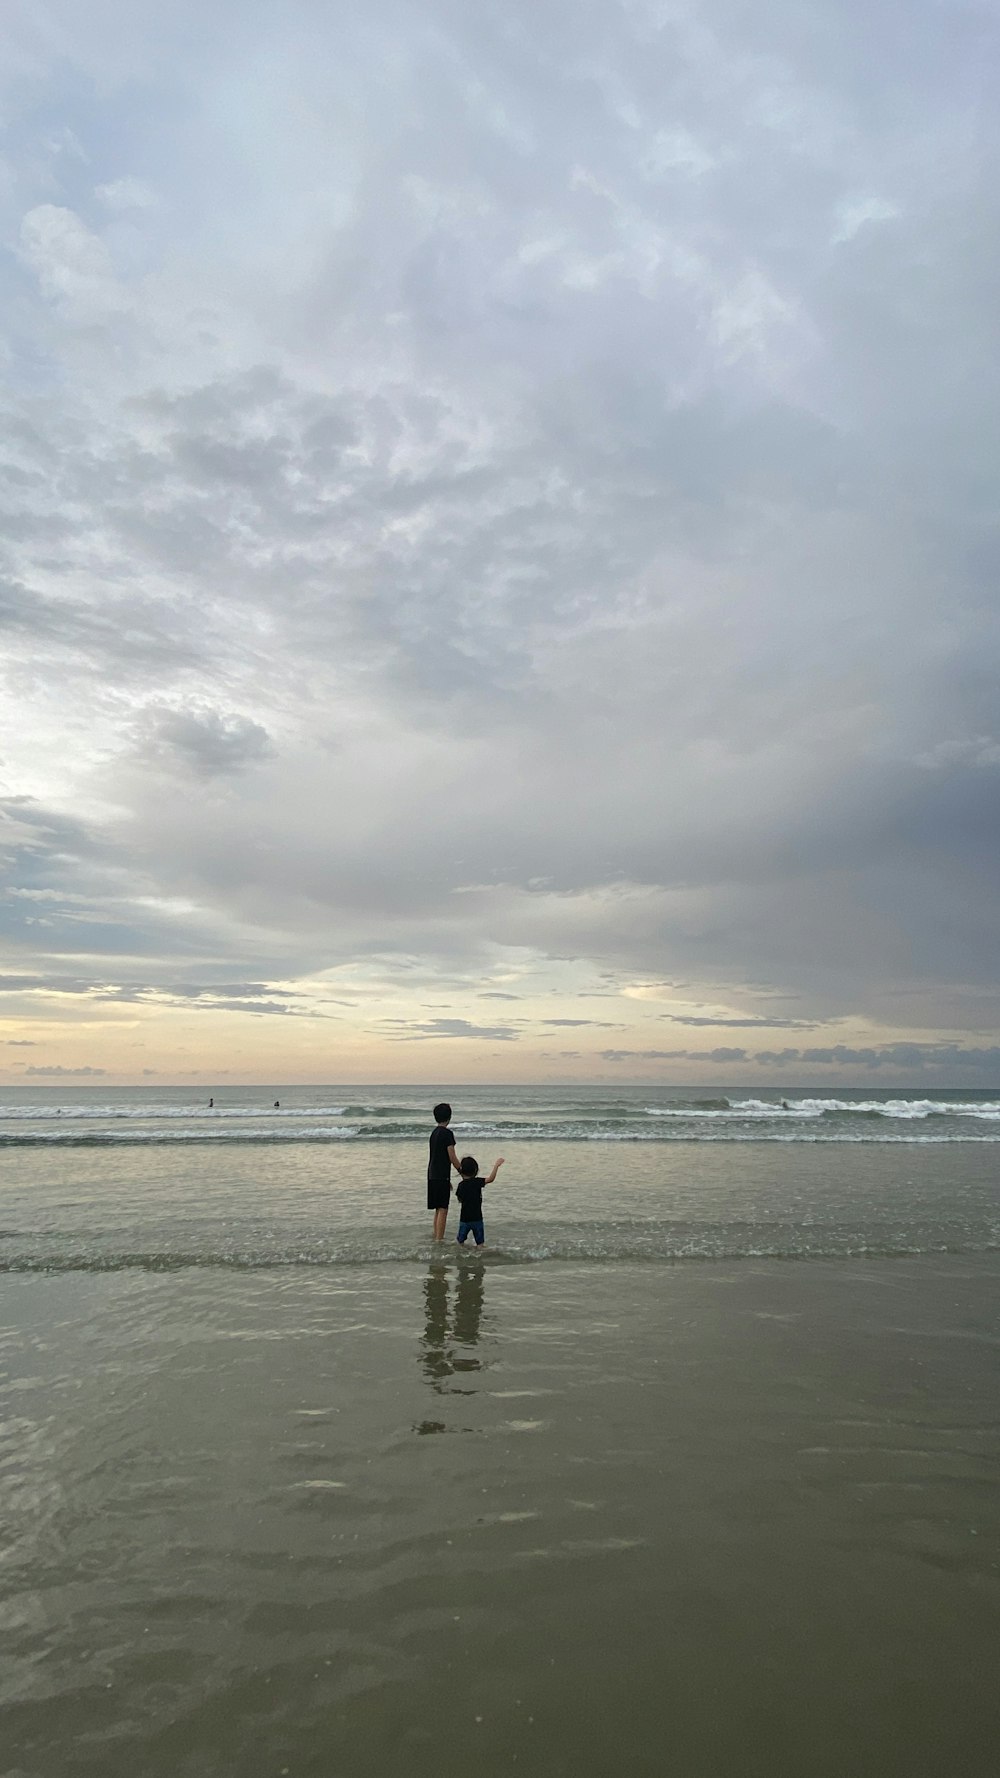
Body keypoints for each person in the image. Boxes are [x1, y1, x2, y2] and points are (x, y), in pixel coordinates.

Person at [427, 1101, 461, 1242]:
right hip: (441, 1175)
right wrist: (461, 1170)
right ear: (449, 1117)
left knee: (437, 1208)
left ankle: (436, 1236)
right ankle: (439, 1239)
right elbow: (451, 1156)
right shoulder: (447, 1134)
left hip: (432, 1174)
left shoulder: (434, 1133)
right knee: (443, 1208)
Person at [455, 1154, 504, 1248]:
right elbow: (491, 1179)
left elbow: (459, 1199)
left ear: (461, 1171)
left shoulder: (461, 1185)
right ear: (475, 1170)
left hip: (465, 1219)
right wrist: (496, 1166)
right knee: (480, 1244)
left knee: (460, 1242)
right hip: (477, 1218)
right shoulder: (477, 1182)